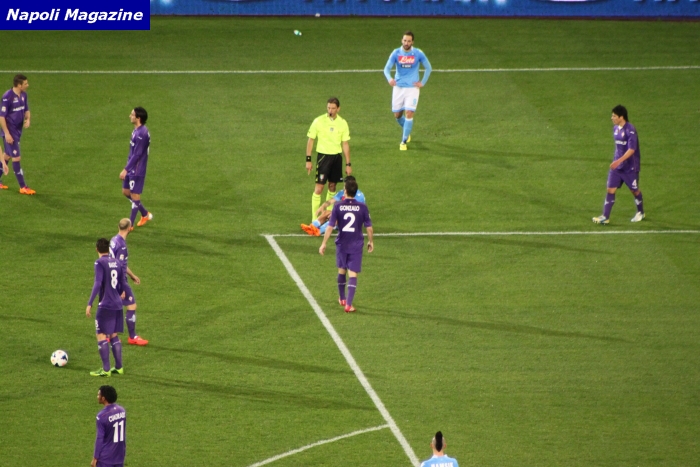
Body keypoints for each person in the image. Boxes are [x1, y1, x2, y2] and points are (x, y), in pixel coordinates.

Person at [319, 178, 373, 313]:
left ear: (346, 191)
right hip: (356, 244)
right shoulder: (363, 207)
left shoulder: (338, 206)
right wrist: (370, 241)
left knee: (341, 270)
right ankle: (348, 304)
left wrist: (324, 243)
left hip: (342, 243)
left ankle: (342, 298)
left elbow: (330, 226)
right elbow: (369, 227)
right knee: (353, 274)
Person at [593, 105, 645, 225]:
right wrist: (616, 161)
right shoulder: (615, 129)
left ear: (621, 117)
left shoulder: (630, 130)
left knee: (634, 190)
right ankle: (605, 217)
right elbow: (619, 148)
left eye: (614, 116)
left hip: (630, 167)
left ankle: (640, 212)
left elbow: (631, 150)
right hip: (617, 167)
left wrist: (618, 161)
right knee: (610, 189)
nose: (612, 118)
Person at [383, 31, 432, 151]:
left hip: (412, 88)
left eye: (409, 41)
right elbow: (386, 69)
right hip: (398, 88)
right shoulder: (396, 53)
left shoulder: (418, 53)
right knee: (397, 115)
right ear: (402, 40)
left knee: (409, 113)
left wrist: (422, 82)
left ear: (412, 42)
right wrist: (389, 79)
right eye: (405, 40)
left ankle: (403, 141)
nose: (406, 43)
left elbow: (428, 68)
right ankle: (407, 131)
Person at [86, 238, 128, 377]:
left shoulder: (99, 263)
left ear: (97, 249)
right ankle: (119, 367)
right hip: (117, 304)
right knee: (114, 334)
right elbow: (122, 281)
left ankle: (106, 369)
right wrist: (122, 291)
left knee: (101, 335)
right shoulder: (117, 262)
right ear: (109, 249)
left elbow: (98, 283)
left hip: (105, 305)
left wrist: (90, 303)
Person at [305, 97, 351, 221]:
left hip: (336, 158)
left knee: (332, 187)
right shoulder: (318, 121)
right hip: (323, 158)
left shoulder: (343, 123)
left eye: (333, 108)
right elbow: (311, 140)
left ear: (338, 109)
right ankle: (315, 219)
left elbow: (345, 144)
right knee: (319, 188)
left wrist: (348, 164)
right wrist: (308, 159)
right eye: (329, 108)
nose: (330, 110)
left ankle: (327, 217)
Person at [110, 219, 148, 346]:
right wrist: (121, 287)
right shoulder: (122, 246)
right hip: (119, 280)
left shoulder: (113, 240)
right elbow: (120, 267)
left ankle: (110, 335)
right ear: (129, 228)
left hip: (110, 278)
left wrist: (132, 275)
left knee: (114, 306)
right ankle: (132, 337)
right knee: (131, 305)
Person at [0, 74, 35, 194]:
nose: (27, 85)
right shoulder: (7, 97)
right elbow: (2, 117)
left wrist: (28, 119)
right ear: (19, 85)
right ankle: (23, 187)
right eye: (25, 83)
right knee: (16, 157)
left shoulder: (24, 95)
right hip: (10, 132)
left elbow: (26, 110)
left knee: (7, 156)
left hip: (18, 131)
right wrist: (7, 133)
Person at [120, 107, 153, 229]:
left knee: (135, 196)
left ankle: (130, 225)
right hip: (132, 167)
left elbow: (137, 154)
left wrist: (126, 169)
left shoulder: (141, 134)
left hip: (137, 169)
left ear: (138, 118)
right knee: (126, 192)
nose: (130, 116)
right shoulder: (136, 130)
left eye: (132, 115)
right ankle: (145, 214)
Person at [301, 175, 365, 237]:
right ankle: (311, 227)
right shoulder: (343, 192)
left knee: (336, 217)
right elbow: (330, 201)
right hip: (344, 218)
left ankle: (319, 231)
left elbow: (351, 211)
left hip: (353, 223)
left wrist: (336, 214)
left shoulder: (359, 196)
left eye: (345, 185)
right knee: (326, 212)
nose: (344, 187)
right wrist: (323, 206)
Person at [93, 385, 126, 467]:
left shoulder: (102, 416)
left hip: (106, 458)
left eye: (99, 395)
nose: (97, 397)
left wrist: (95, 458)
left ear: (103, 398)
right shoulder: (122, 411)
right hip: (119, 456)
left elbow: (100, 438)